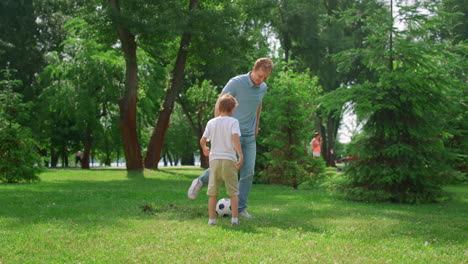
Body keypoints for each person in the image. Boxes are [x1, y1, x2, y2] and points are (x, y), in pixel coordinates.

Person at [188, 58, 274, 218]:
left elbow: (258, 105)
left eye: (265, 78)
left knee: (248, 172)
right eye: (259, 76)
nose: (261, 80)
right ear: (253, 69)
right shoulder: (236, 82)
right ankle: (200, 181)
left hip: (248, 136)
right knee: (223, 166)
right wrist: (217, 128)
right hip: (230, 134)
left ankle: (240, 208)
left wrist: (256, 126)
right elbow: (220, 102)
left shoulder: (262, 87)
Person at [200, 94, 243, 226]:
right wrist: (240, 155)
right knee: (233, 192)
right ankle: (234, 220)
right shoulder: (233, 122)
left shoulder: (211, 122)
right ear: (232, 109)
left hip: (214, 161)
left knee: (213, 192)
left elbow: (203, 140)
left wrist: (204, 148)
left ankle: (211, 220)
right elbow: (235, 139)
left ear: (219, 107)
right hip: (229, 160)